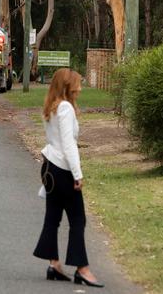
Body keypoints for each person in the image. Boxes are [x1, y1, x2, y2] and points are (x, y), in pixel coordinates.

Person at [33, 68, 104, 288]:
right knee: (78, 219)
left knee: (53, 218)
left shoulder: (51, 107)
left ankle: (54, 264)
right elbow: (68, 144)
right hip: (62, 169)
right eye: (77, 84)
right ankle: (81, 268)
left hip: (50, 167)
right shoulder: (64, 108)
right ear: (67, 86)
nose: (80, 88)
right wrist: (78, 174)